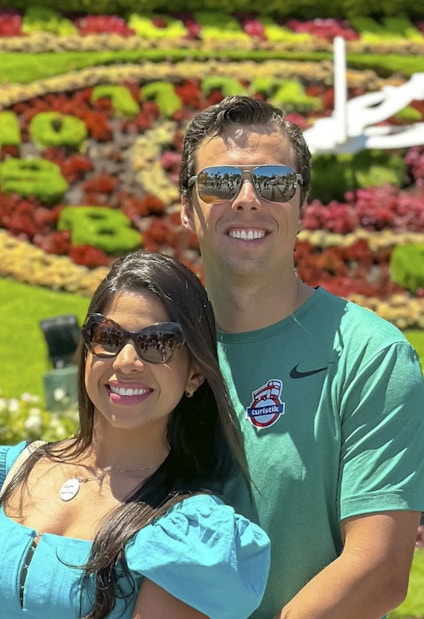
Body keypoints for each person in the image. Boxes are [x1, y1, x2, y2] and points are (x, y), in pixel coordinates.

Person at [179, 95, 424, 619]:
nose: (247, 199)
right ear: (186, 207)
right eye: (220, 183)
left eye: (273, 183)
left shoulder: (369, 355)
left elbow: (379, 570)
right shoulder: (157, 348)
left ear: (301, 206)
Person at [0, 250, 270, 619]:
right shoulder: (10, 473)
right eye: (108, 336)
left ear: (194, 375)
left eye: (157, 343)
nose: (126, 361)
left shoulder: (188, 532)